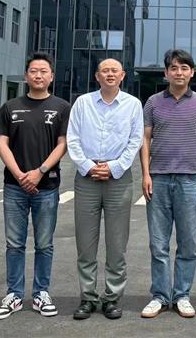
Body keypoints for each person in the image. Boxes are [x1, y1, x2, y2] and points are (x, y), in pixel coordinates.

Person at [0, 52, 70, 320]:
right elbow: (2, 143)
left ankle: (40, 293)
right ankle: (14, 294)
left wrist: (39, 172)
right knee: (14, 244)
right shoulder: (10, 107)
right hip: (14, 186)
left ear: (51, 76)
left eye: (43, 71)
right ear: (26, 76)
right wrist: (20, 174)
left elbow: (63, 144)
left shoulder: (61, 107)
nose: (38, 75)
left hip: (47, 186)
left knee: (44, 244)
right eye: (33, 71)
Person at [66, 58, 143, 321]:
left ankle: (112, 298)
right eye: (105, 71)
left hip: (118, 179)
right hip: (86, 178)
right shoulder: (82, 103)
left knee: (117, 244)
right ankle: (88, 297)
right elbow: (72, 139)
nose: (110, 74)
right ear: (97, 76)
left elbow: (135, 140)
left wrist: (114, 167)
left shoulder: (133, 104)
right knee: (85, 244)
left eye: (114, 71)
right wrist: (89, 167)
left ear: (122, 75)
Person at [140, 48, 196, 319]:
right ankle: (160, 296)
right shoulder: (153, 102)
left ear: (192, 72)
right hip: (158, 179)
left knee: (188, 243)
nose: (179, 72)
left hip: (190, 180)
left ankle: (182, 295)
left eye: (184, 68)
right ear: (166, 72)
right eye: (174, 68)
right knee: (158, 244)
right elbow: (145, 139)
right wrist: (145, 174)